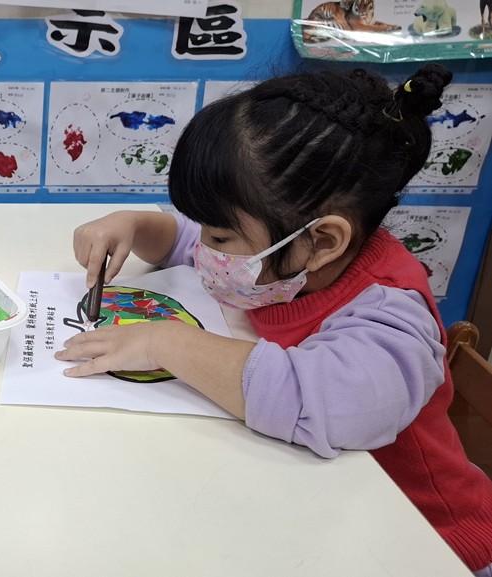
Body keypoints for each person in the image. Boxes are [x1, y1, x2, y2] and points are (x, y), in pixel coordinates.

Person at [58, 63, 492, 575]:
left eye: (219, 236)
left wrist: (164, 343)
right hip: (315, 510)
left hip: (426, 542)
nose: (204, 247)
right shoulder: (292, 260)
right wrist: (133, 224)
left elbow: (323, 402)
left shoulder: (390, 313)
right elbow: (191, 242)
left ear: (323, 241)